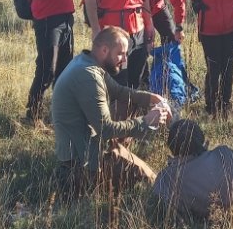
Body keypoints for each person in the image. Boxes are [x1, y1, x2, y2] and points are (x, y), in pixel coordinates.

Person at [51, 26, 170, 193]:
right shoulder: (88, 76)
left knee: (129, 102)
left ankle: (118, 152)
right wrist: (146, 121)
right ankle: (113, 161)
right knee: (152, 180)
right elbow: (106, 129)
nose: (124, 60)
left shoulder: (87, 62)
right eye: (120, 54)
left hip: (87, 143)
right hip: (83, 164)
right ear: (104, 50)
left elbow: (120, 92)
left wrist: (151, 98)